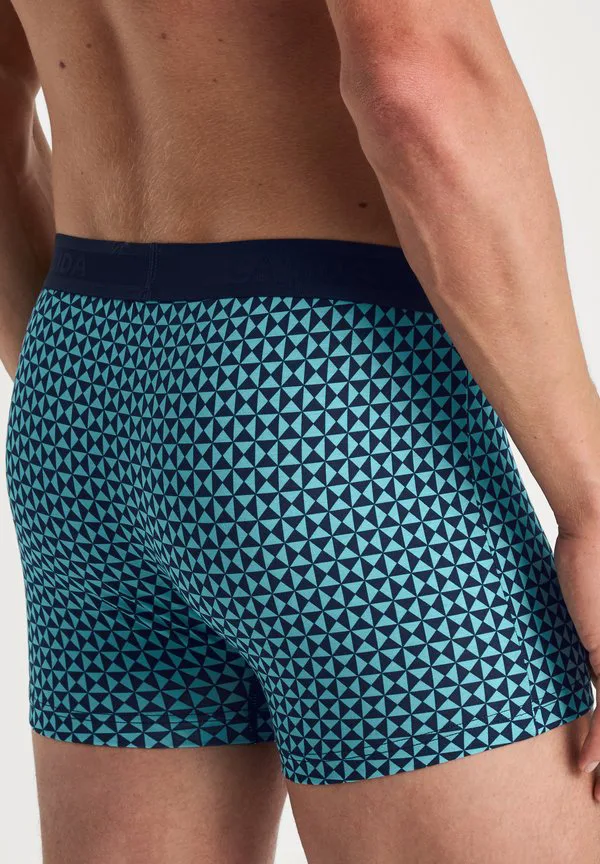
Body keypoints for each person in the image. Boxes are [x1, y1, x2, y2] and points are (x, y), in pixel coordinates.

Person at [1, 0, 599, 861]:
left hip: (79, 388)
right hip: (328, 400)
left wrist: (125, 405)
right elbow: (416, 82)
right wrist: (591, 500)